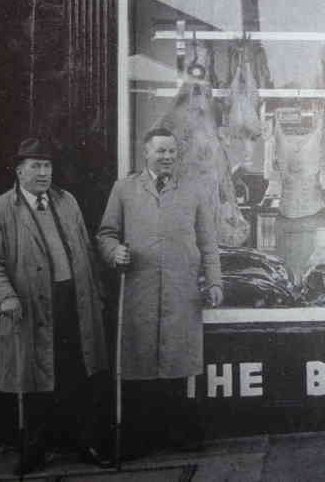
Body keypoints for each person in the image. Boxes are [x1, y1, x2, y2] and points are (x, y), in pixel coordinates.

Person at [0, 137, 112, 475]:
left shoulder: (67, 201)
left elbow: (86, 250)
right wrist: (4, 296)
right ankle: (34, 450)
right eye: (36, 166)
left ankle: (87, 444)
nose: (43, 173)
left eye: (47, 165)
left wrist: (96, 294)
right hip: (31, 308)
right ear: (19, 170)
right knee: (35, 380)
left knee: (80, 376)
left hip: (74, 304)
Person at [97, 127, 223, 456]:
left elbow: (209, 243)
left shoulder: (193, 191)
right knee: (139, 364)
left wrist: (214, 282)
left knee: (177, 365)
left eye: (171, 151)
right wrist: (114, 252)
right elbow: (105, 234)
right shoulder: (124, 189)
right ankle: (139, 439)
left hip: (181, 292)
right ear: (146, 154)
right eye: (160, 151)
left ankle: (179, 436)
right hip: (139, 290)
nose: (167, 157)